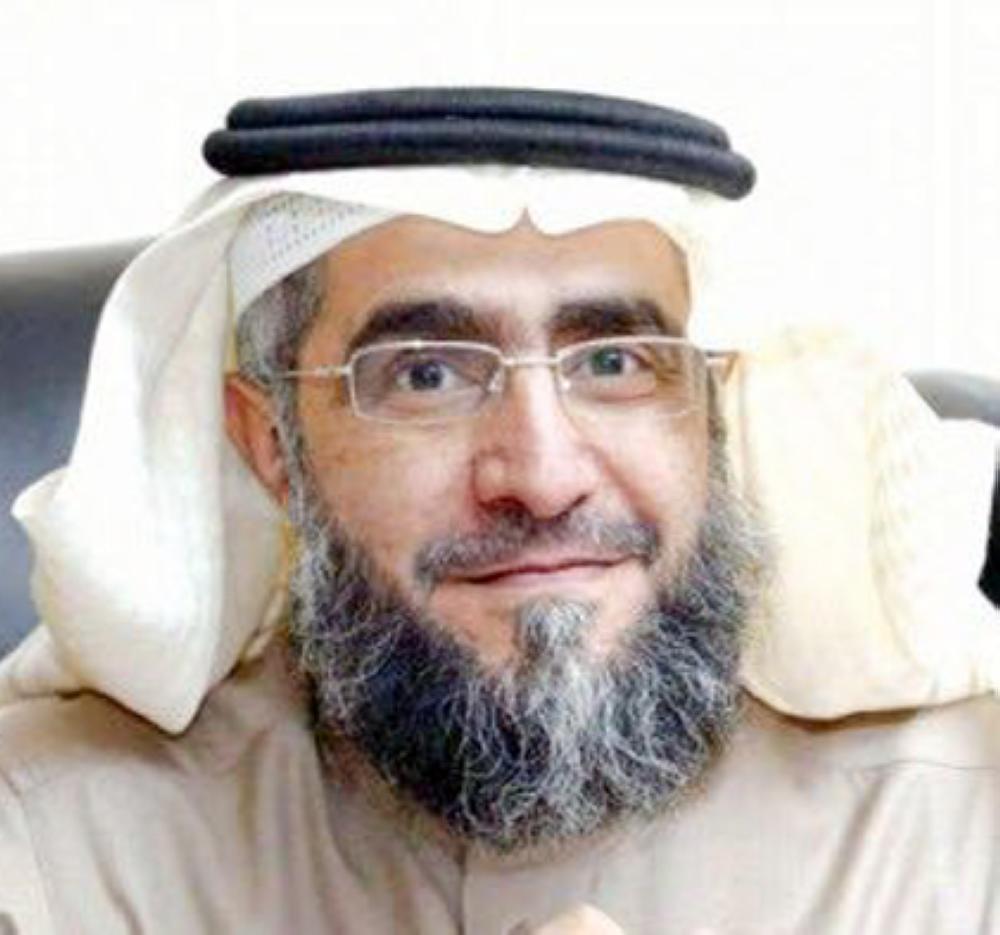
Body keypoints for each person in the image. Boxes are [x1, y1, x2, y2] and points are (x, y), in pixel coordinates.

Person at [1, 88, 998, 934]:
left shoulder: (964, 831)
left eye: (616, 361)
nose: (544, 475)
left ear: (712, 413)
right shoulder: (52, 854)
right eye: (425, 374)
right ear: (272, 446)